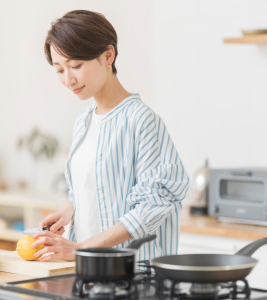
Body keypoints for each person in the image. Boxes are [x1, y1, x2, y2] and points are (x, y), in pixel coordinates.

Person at [30, 9, 189, 262]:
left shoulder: (142, 120)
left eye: (76, 66)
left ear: (108, 56)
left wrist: (80, 248)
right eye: (59, 70)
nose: (68, 80)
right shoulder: (83, 121)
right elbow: (105, 189)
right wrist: (73, 209)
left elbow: (151, 207)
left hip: (134, 275)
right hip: (91, 271)